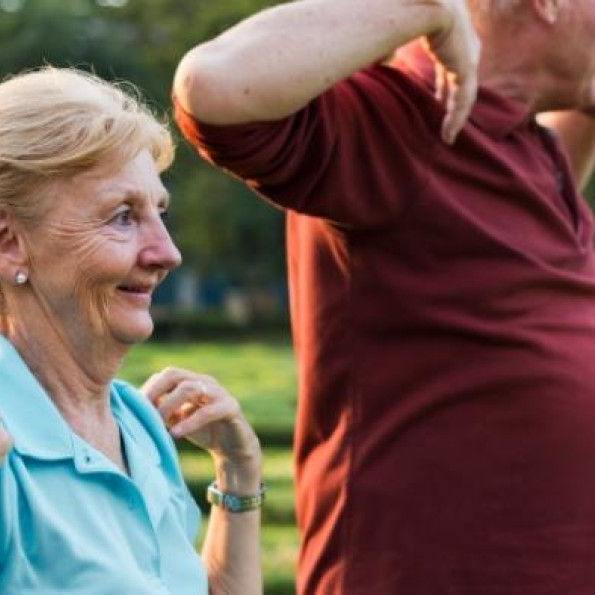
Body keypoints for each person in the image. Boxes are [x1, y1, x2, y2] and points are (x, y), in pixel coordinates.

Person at [171, 0, 595, 593]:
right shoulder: (399, 118)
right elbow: (211, 85)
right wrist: (427, 8)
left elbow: (502, 254)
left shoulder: (526, 144)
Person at [0, 67, 263, 595]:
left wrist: (239, 477)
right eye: (122, 216)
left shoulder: (138, 422)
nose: (167, 253)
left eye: (159, 212)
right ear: (10, 243)